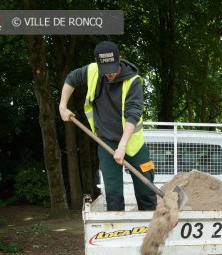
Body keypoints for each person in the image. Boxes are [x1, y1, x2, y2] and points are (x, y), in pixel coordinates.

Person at [59, 41, 156, 212]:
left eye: (112, 68)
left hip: (132, 142)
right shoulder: (92, 71)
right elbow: (71, 78)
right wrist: (62, 106)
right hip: (106, 141)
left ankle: (150, 227)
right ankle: (117, 230)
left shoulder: (133, 82)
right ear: (98, 63)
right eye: (106, 70)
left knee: (145, 184)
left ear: (119, 59)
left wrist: (122, 146)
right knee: (113, 190)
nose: (109, 74)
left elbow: (133, 115)